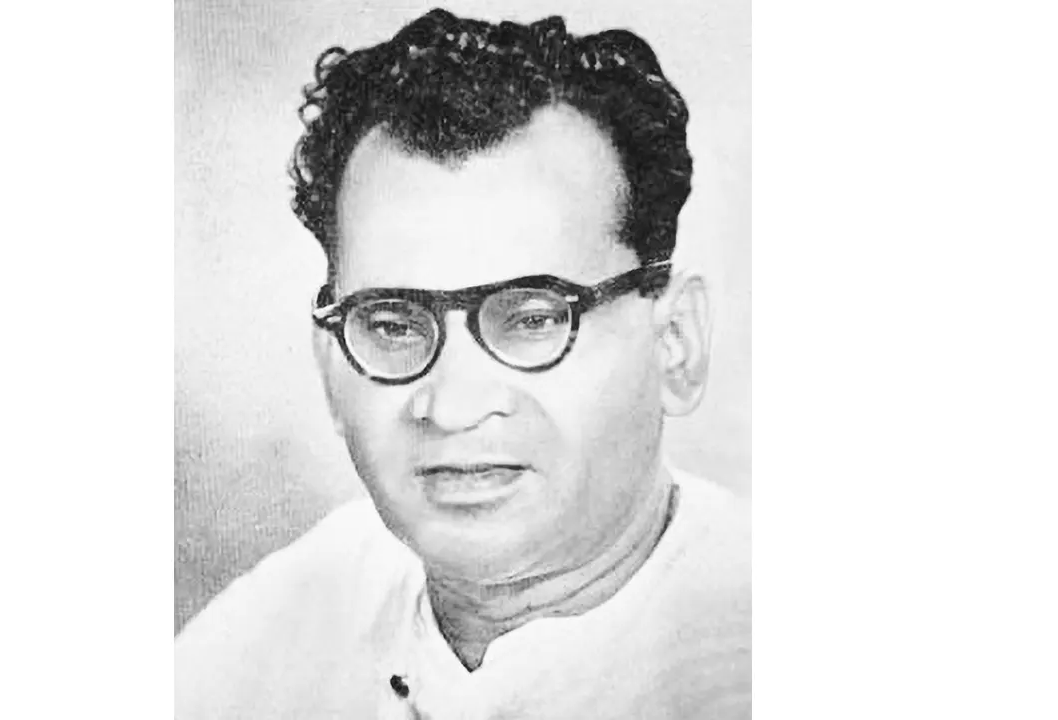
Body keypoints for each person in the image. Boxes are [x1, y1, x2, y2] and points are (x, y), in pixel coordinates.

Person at [175, 8, 750, 718]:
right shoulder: (290, 620)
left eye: (533, 318)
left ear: (676, 345)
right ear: (330, 369)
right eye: (393, 324)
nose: (451, 407)